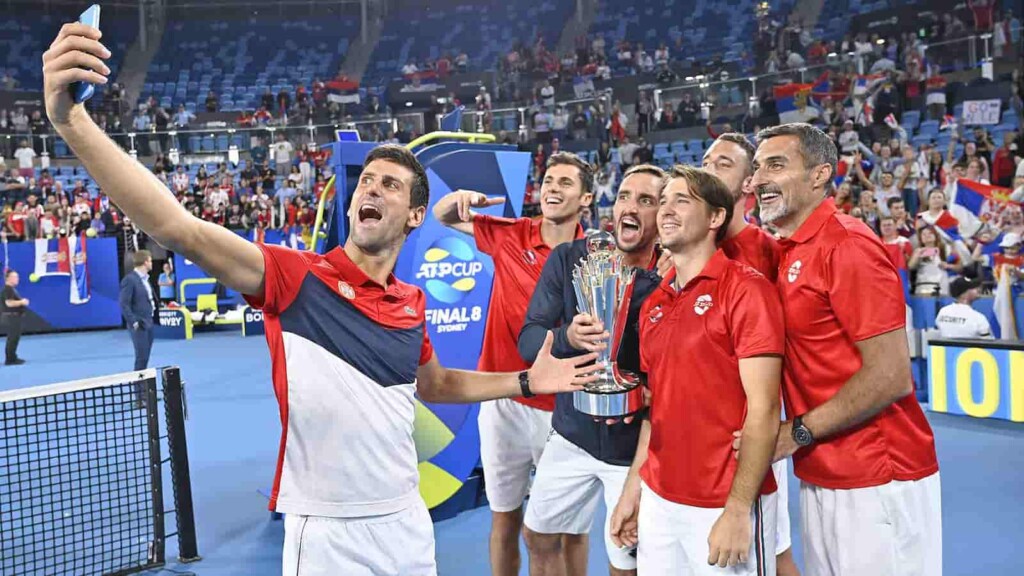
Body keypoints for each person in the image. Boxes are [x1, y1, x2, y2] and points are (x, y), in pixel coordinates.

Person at [42, 23, 598, 576]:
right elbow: (177, 227)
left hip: (407, 523)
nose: (371, 189)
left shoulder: (410, 301)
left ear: (413, 216)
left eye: (391, 185)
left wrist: (527, 381)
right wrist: (71, 121)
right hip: (328, 535)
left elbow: (437, 384)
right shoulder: (294, 277)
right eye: (367, 182)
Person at [749, 123, 941, 576]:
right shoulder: (791, 251)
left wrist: (791, 434)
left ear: (820, 175)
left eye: (776, 165)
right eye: (757, 169)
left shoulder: (847, 245)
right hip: (821, 473)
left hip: (878, 475)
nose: (758, 180)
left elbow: (890, 375)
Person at [615, 165, 784, 574]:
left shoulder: (746, 289)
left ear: (715, 218)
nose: (666, 210)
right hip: (659, 501)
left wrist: (739, 509)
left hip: (722, 502)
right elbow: (655, 410)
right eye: (665, 200)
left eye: (682, 200)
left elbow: (763, 410)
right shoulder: (654, 302)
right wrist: (633, 490)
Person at [433, 152, 591, 576]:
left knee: (569, 530)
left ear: (586, 198)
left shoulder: (596, 256)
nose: (553, 188)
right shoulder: (512, 234)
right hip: (505, 398)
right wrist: (459, 198)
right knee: (505, 517)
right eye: (549, 180)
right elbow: (443, 215)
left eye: (565, 183)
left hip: (564, 408)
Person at [517, 164, 665, 576]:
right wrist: (567, 338)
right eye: (623, 197)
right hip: (571, 433)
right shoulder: (569, 259)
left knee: (626, 557)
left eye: (646, 200)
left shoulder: (669, 277)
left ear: (663, 214)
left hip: (631, 448)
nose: (629, 207)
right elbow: (529, 340)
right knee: (538, 536)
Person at [701, 133, 800, 576]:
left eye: (722, 164)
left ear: (747, 185)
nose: (706, 168)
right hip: (688, 442)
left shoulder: (770, 253)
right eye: (705, 159)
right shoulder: (681, 249)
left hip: (745, 444)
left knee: (772, 558)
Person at [120, 250, 156, 371]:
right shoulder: (130, 280)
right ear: (145, 262)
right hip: (139, 324)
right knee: (141, 358)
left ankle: (144, 387)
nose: (152, 263)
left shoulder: (145, 279)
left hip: (148, 322)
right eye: (150, 261)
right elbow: (124, 303)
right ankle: (139, 388)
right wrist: (133, 322)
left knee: (145, 358)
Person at [2, 269, 29, 365]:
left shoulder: (11, 289)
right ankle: (10, 359)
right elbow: (8, 303)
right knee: (13, 338)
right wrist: (22, 302)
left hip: (14, 317)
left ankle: (13, 356)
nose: (17, 279)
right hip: (11, 317)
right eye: (15, 277)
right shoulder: (8, 289)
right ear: (8, 278)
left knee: (14, 338)